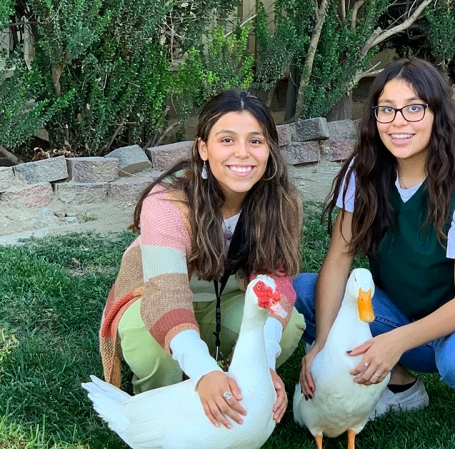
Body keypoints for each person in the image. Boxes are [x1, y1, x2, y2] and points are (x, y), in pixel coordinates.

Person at [294, 59, 455, 436]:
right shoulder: (364, 173)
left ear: (437, 114)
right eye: (387, 109)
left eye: (414, 108)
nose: (399, 121)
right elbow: (338, 261)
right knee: (304, 291)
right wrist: (321, 343)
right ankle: (401, 386)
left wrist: (394, 342)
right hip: (403, 314)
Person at [99, 89, 306, 430]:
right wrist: (206, 372)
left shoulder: (283, 202)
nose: (243, 153)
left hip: (226, 300)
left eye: (256, 141)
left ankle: (236, 389)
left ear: (269, 149)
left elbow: (276, 285)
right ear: (203, 149)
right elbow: (165, 295)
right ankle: (158, 409)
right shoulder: (167, 202)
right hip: (156, 300)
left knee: (287, 325)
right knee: (149, 342)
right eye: (227, 139)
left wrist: (263, 361)